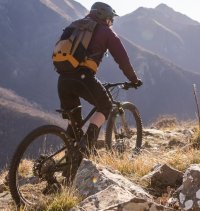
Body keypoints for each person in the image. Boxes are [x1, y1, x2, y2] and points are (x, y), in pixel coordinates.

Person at [56, 2, 142, 159]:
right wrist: (133, 79)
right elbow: (122, 58)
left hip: (63, 78)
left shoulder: (75, 26)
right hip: (82, 77)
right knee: (105, 105)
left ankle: (70, 162)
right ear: (104, 17)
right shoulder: (105, 31)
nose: (111, 23)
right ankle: (87, 146)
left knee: (73, 119)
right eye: (111, 19)